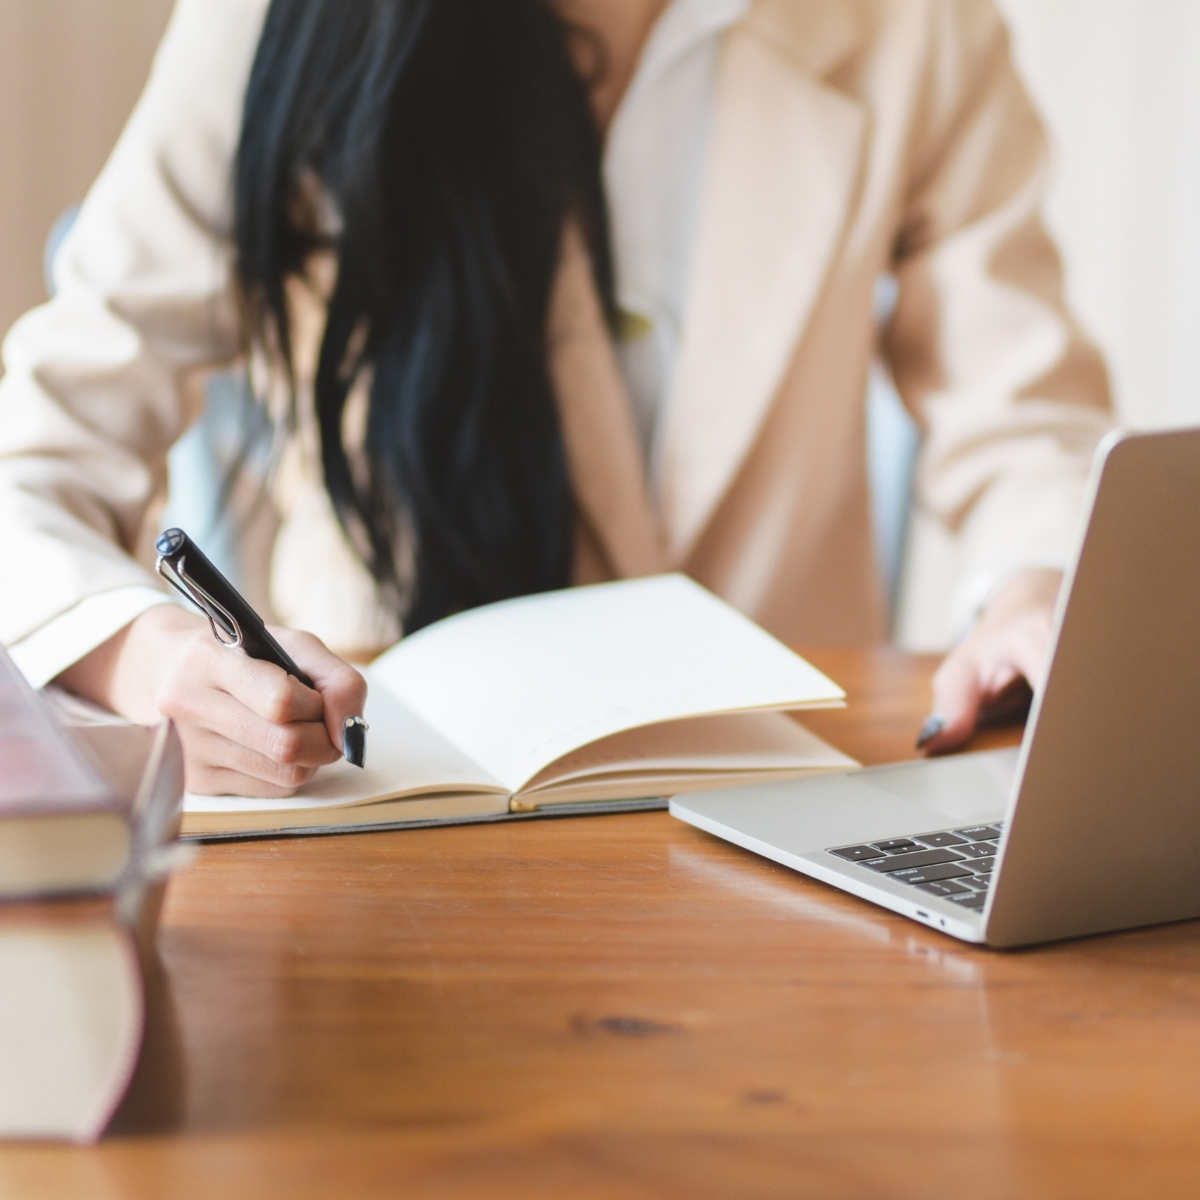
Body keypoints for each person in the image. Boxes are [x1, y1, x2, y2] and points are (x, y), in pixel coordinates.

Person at [0, 0, 1113, 797]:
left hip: (784, 806)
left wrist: (1035, 588)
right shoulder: (264, 25)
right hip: (381, 810)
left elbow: (1026, 428)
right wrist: (155, 668)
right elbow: (33, 465)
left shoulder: (920, 28)